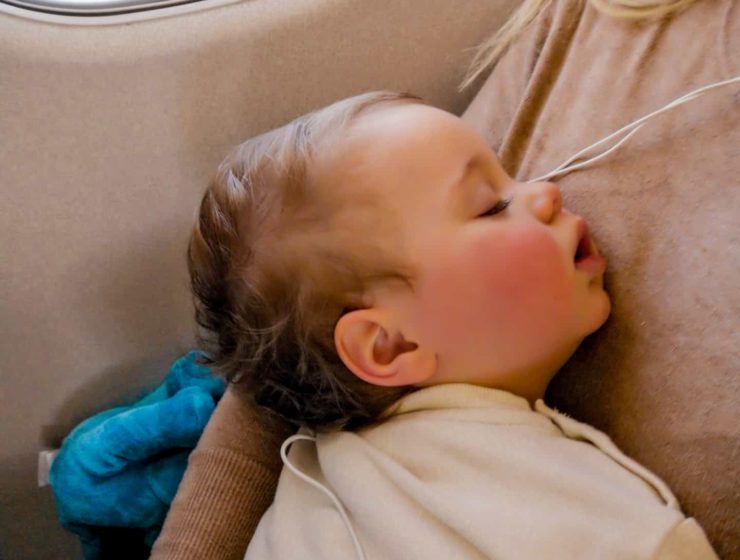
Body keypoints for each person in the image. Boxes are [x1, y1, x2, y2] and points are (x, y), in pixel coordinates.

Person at [150, 0, 738, 557]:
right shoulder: (583, 515)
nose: (546, 190)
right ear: (389, 345)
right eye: (492, 205)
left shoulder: (320, 483)